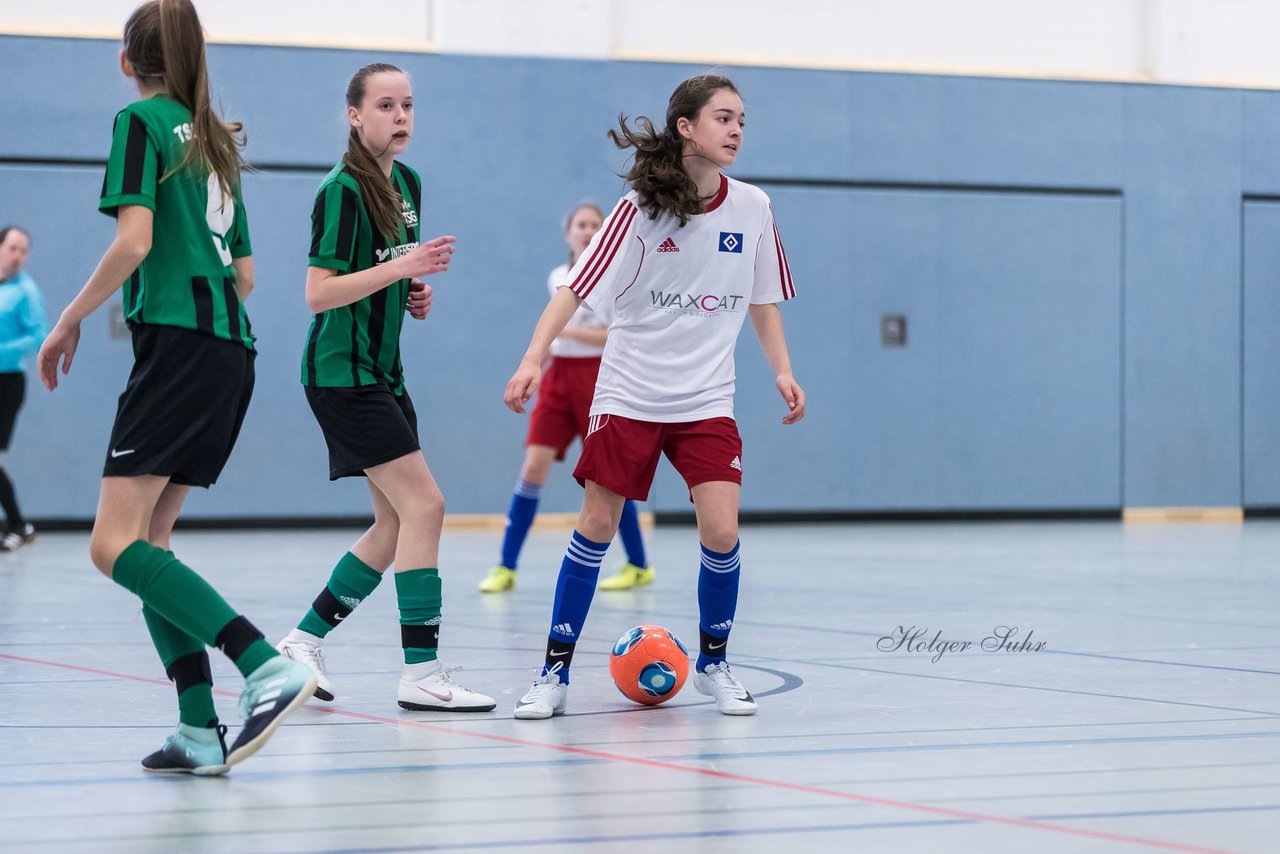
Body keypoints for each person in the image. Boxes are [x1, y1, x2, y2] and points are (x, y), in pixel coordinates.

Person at [36, 0, 317, 775]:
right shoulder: (218, 146)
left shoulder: (144, 125)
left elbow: (135, 239)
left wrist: (69, 319)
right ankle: (198, 727)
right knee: (149, 543)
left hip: (183, 350)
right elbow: (249, 277)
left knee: (110, 544)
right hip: (230, 350)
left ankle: (264, 664)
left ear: (127, 61)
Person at [504, 74, 804, 719]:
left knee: (721, 530)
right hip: (630, 394)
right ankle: (552, 674)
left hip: (706, 401)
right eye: (724, 118)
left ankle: (715, 665)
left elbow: (763, 298)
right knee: (597, 525)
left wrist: (781, 369)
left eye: (743, 120)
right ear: (686, 127)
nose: (737, 131)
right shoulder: (636, 209)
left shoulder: (753, 207)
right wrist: (533, 358)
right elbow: (573, 290)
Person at [275, 63, 495, 713]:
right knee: (426, 507)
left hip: (384, 372)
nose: (400, 117)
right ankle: (421, 672)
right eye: (385, 106)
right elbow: (319, 294)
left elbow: (381, 274)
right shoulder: (341, 190)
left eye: (408, 105)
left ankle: (301, 642)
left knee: (395, 523)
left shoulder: (408, 184)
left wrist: (411, 288)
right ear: (354, 115)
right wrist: (402, 266)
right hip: (343, 374)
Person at [479, 204, 653, 594]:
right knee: (532, 468)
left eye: (595, 224)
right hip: (560, 380)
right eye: (581, 225)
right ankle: (506, 566)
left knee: (608, 478)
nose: (588, 230)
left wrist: (569, 334)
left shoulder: (615, 276)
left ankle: (639, 564)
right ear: (568, 233)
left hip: (600, 378)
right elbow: (559, 333)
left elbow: (611, 333)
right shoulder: (560, 277)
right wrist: (538, 365)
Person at [0, 225, 47, 550]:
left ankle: (18, 524)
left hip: (7, 383)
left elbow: (38, 336)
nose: (18, 255)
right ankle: (20, 525)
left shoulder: (27, 292)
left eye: (23, 250)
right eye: (12, 248)